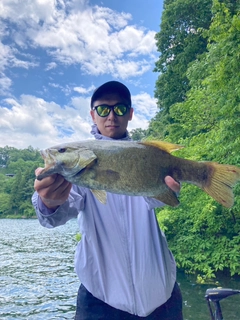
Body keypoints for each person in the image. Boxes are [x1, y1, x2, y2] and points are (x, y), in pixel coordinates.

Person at [32, 81, 183, 320]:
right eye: (103, 109)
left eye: (120, 109)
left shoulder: (145, 153)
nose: (111, 115)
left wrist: (169, 190)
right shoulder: (79, 167)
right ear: (92, 115)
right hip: (100, 303)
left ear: (130, 114)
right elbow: (54, 217)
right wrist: (48, 203)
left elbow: (160, 200)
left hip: (163, 299)